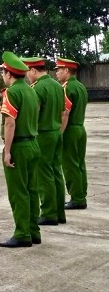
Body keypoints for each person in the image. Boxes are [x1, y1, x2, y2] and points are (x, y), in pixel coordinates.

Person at [0, 52, 41, 248]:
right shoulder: (31, 90)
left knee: (18, 192)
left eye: (3, 72)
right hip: (34, 144)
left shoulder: (12, 92)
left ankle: (22, 233)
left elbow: (9, 122)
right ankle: (33, 231)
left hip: (19, 146)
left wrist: (8, 151)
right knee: (32, 190)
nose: (2, 76)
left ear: (9, 74)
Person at [22, 57, 66, 225]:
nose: (27, 76)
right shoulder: (57, 86)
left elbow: (35, 113)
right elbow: (63, 111)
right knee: (56, 172)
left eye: (27, 72)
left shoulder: (37, 89)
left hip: (42, 134)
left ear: (33, 70)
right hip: (55, 132)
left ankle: (48, 212)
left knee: (43, 174)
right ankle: (59, 212)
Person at [55, 58, 89, 210]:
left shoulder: (66, 88)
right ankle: (81, 194)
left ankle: (76, 198)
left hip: (70, 130)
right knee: (80, 163)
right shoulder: (81, 86)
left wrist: (59, 134)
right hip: (80, 128)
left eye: (59, 70)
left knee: (70, 165)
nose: (56, 73)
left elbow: (65, 114)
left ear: (67, 70)